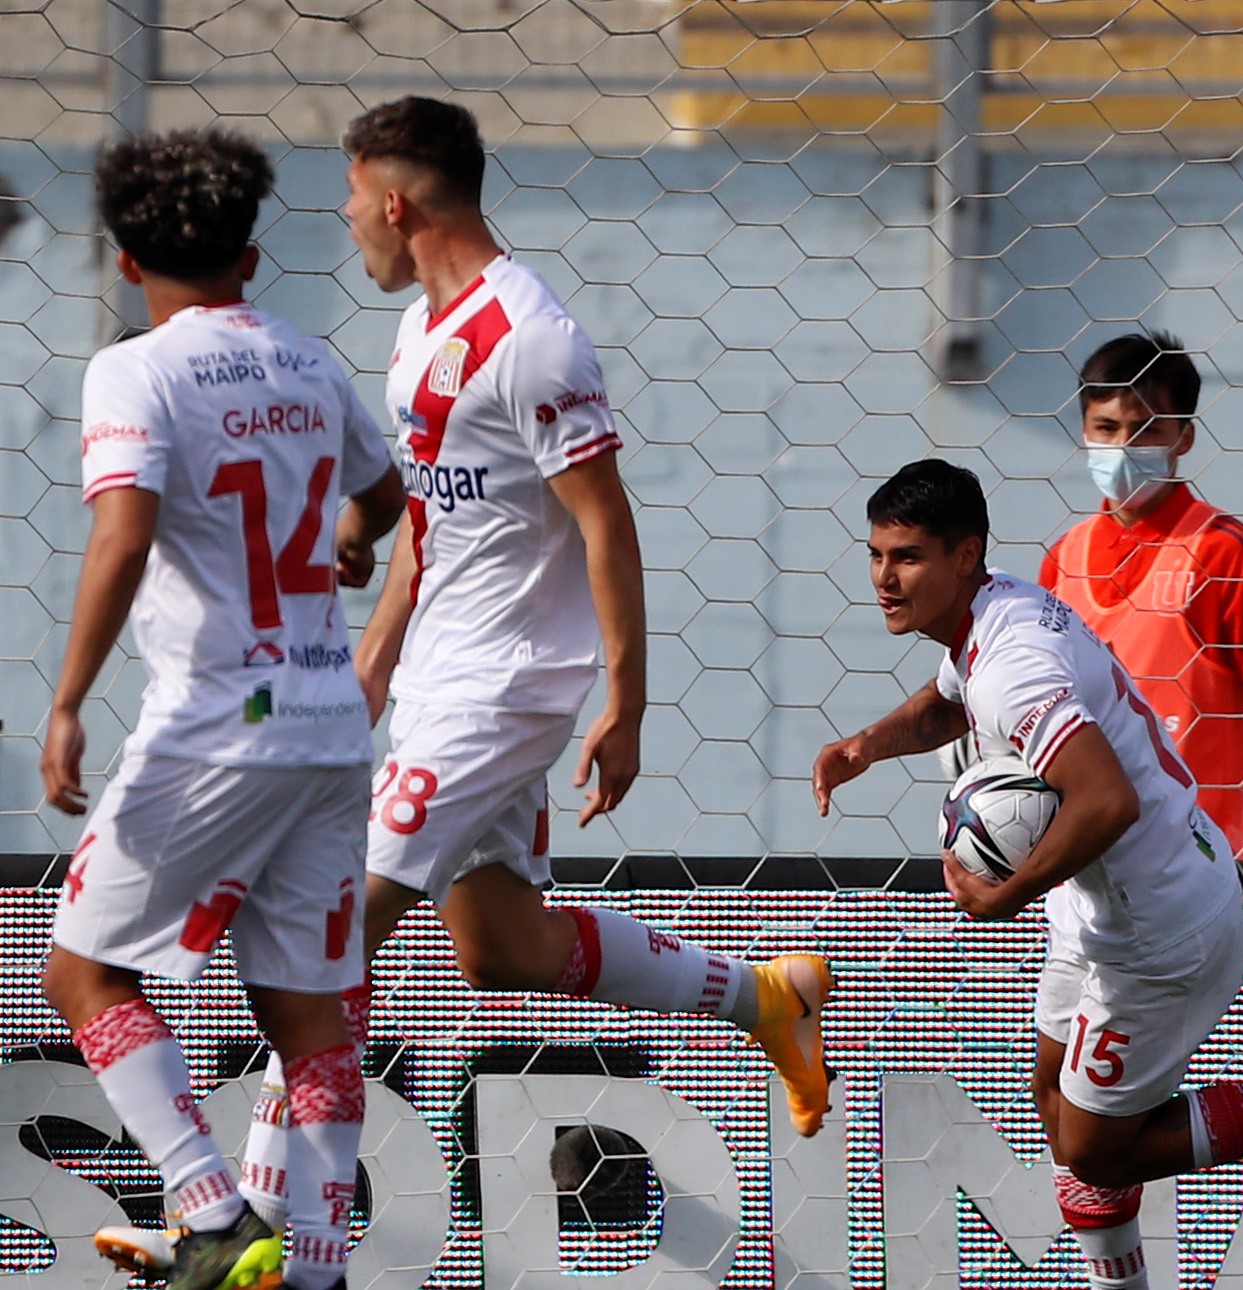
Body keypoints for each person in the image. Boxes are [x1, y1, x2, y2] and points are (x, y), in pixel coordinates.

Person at [186, 95, 830, 1248]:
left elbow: (605, 521)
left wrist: (625, 699)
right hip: (441, 678)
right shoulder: (419, 334)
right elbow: (431, 534)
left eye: (348, 201)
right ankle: (760, 997)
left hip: (508, 688)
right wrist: (366, 678)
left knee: (326, 931)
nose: (343, 224)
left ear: (396, 201)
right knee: (500, 945)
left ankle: (259, 1228)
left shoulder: (531, 338)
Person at [813, 459, 1243, 1290]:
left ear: (965, 555)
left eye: (908, 557)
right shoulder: (996, 613)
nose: (885, 578)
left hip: (1157, 927)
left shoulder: (1014, 663)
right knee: (1057, 1113)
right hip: (1100, 909)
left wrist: (1005, 893)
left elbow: (1106, 803)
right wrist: (865, 747)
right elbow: (951, 701)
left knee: (1097, 1149)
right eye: (877, 554)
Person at [44, 127, 405, 1290]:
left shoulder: (132, 369)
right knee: (310, 1018)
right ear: (252, 260)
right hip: (328, 729)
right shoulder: (308, 360)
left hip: (215, 723)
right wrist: (351, 536)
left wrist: (66, 703)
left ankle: (207, 1213)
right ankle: (311, 1267)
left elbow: (123, 530)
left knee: (83, 974)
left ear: (124, 263)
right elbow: (384, 490)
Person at [1039, 331, 1243, 859]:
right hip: (1081, 857)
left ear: (1183, 438)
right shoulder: (1063, 559)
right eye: (1107, 428)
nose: (1122, 447)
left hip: (1188, 857)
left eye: (1145, 432)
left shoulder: (1220, 551)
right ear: (1084, 432)